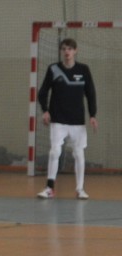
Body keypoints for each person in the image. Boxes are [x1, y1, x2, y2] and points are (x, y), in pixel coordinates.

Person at [37, 37, 98, 200]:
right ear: (61, 51)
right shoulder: (53, 69)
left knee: (78, 153)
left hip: (78, 121)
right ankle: (49, 188)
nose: (67, 52)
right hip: (58, 120)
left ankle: (80, 189)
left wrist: (92, 115)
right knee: (54, 151)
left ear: (75, 51)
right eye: (64, 49)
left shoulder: (84, 70)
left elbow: (90, 94)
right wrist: (45, 110)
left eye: (70, 49)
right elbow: (42, 92)